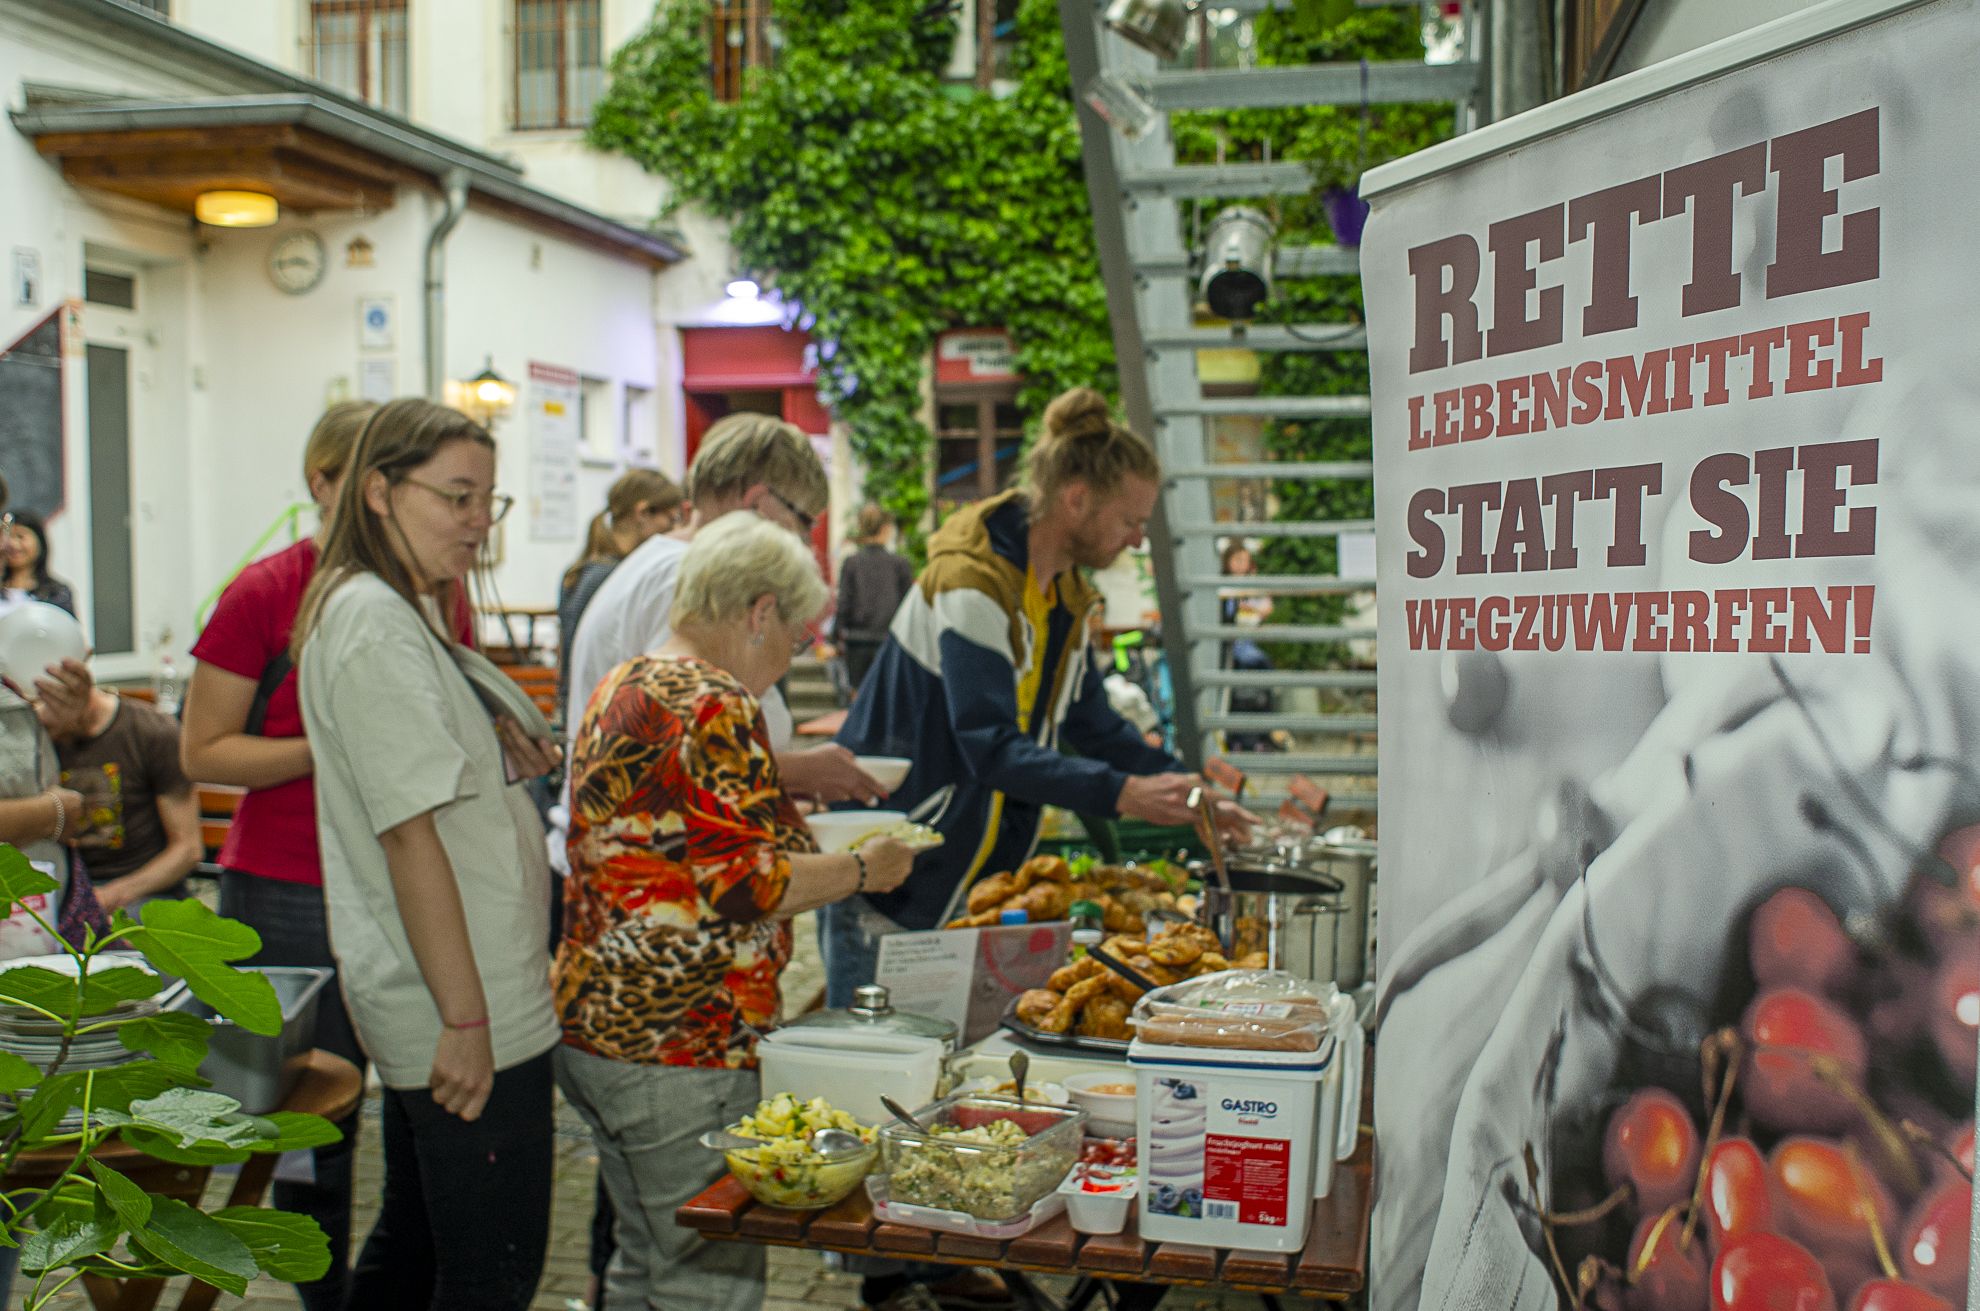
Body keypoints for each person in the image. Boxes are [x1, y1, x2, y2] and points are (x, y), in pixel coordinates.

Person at [555, 514, 916, 1311]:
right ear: (758, 611)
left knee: (641, 1261)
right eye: (794, 631)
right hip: (682, 1037)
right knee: (706, 1279)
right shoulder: (716, 700)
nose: (793, 654)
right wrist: (866, 866)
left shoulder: (630, 680)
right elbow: (748, 883)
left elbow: (678, 844)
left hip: (597, 1024)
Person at [184, 400, 479, 1311]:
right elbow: (203, 752)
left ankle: (383, 1285)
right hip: (286, 887)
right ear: (330, 486)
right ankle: (323, 1295)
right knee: (313, 1117)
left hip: (404, 882)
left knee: (417, 1099)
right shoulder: (267, 590)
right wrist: (341, 740)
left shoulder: (435, 590)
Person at [828, 387, 1252, 1005]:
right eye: (1130, 521)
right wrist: (1125, 793)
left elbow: (1095, 726)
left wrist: (1191, 791)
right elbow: (989, 747)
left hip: (965, 883)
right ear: (1077, 501)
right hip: (896, 882)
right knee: (874, 1077)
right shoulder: (970, 581)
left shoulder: (1062, 596)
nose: (1137, 540)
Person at [293, 397, 561, 1311]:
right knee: (492, 1270)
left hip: (461, 981)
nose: (479, 521)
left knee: (415, 1245)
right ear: (378, 491)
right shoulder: (370, 618)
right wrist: (466, 1016)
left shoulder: (394, 606)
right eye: (457, 496)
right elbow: (407, 832)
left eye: (491, 499)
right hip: (461, 991)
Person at [563, 412, 883, 805]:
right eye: (802, 522)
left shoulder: (669, 562)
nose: (800, 540)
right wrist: (803, 772)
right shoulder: (685, 577)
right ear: (757, 503)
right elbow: (678, 758)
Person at [53, 682, 200, 913]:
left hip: (143, 890)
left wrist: (110, 896)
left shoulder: (151, 730)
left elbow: (188, 849)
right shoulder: (40, 735)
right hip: (63, 890)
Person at [555, 469, 683, 723]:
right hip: (597, 711)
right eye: (671, 519)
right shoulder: (612, 576)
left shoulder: (584, 569)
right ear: (643, 513)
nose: (674, 530)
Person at [834, 503, 914, 697]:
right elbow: (908, 607)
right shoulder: (900, 564)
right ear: (886, 529)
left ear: (861, 526)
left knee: (859, 697)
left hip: (857, 641)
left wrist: (835, 636)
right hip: (889, 641)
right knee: (888, 697)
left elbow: (844, 601)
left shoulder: (852, 563)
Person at [2, 510, 75, 615]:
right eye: (7, 538)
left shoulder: (56, 593)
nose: (13, 544)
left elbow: (68, 629)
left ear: (39, 542)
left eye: (20, 536)